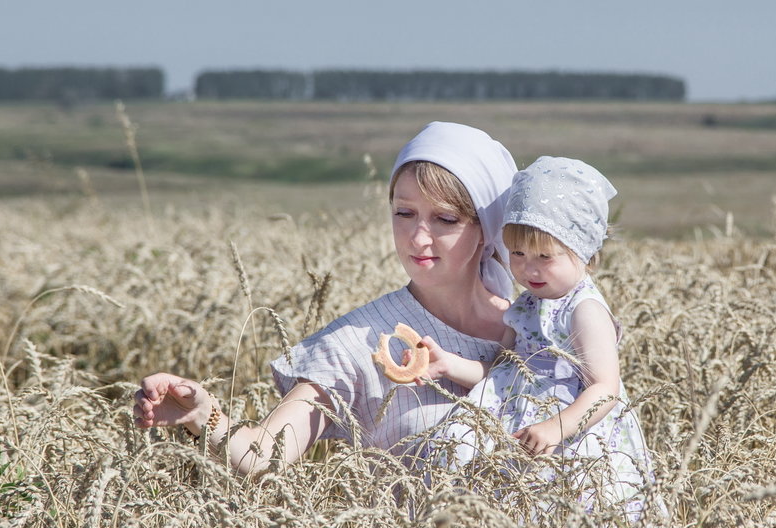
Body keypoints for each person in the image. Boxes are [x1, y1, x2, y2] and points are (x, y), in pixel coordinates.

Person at [132, 121, 518, 475]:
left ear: (485, 226)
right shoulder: (356, 343)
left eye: (445, 219)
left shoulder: (540, 329)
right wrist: (203, 414)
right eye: (404, 213)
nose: (418, 238)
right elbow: (264, 454)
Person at [418, 156, 656, 519]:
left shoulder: (584, 310)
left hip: (572, 438)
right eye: (517, 253)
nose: (528, 268)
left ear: (585, 252)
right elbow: (503, 375)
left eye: (545, 256)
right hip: (520, 437)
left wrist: (555, 428)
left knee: (568, 514)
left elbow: (605, 387)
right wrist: (448, 365)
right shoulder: (527, 306)